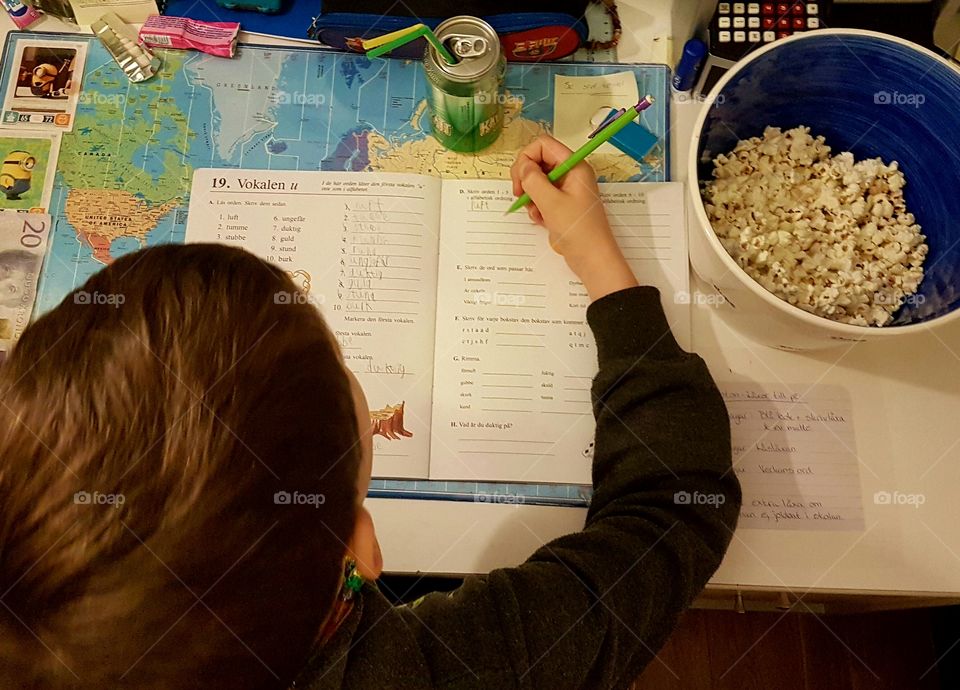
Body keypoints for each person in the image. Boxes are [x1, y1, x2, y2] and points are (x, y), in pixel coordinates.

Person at [0, 135, 740, 689]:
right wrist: (604, 272)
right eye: (346, 372)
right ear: (361, 554)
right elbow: (670, 513)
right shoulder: (454, 671)